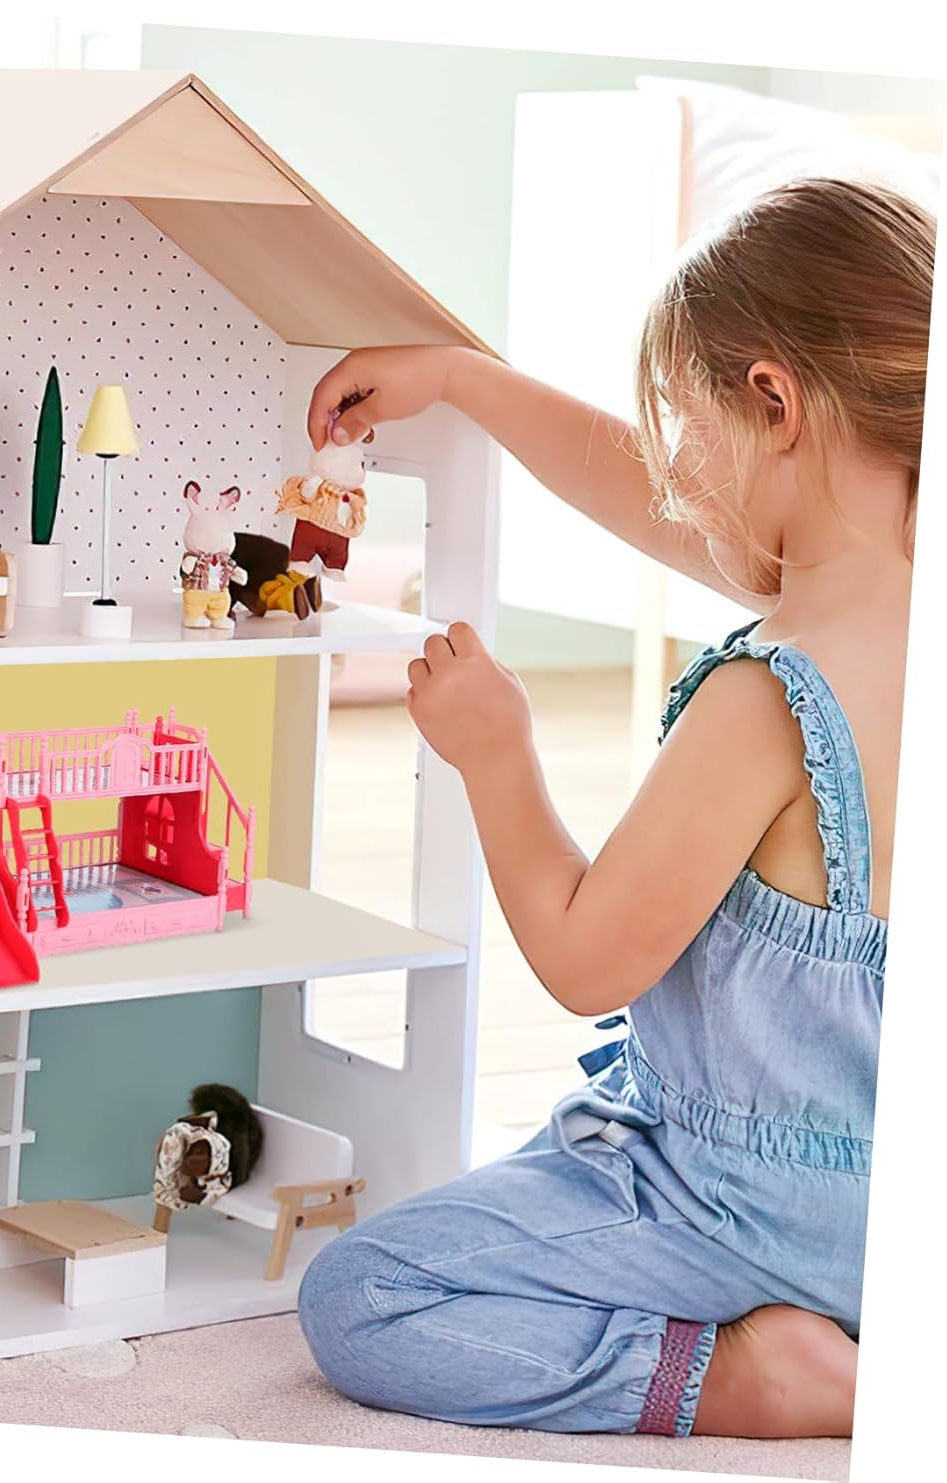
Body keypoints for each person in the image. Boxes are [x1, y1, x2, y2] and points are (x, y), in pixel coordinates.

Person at [296, 177, 933, 1439]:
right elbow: (667, 506)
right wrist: (464, 380)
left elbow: (587, 960)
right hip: (905, 1209)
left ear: (775, 403)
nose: (676, 472)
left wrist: (496, 754)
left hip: (741, 1201)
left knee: (362, 1294)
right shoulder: (898, 601)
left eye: (685, 424)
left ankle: (758, 1380)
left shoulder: (769, 698)